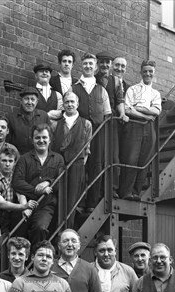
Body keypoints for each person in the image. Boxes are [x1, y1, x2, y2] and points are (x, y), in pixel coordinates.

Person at [12, 123, 65, 247]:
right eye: (37, 138)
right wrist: (36, 191)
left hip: (46, 205)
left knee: (41, 228)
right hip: (25, 203)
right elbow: (17, 182)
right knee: (18, 233)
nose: (41, 140)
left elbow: (61, 182)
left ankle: (36, 257)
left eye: (44, 137)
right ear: (32, 140)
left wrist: (48, 182)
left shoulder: (58, 159)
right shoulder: (24, 159)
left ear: (50, 139)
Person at [72, 53, 112, 211]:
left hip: (98, 132)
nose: (88, 66)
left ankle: (91, 204)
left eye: (91, 64)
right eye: (85, 64)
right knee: (80, 165)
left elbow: (108, 114)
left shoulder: (102, 90)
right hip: (79, 130)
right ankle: (79, 203)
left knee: (96, 166)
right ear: (81, 66)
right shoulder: (73, 87)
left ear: (95, 67)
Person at [119, 60, 162, 201]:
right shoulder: (133, 89)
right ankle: (126, 192)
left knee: (144, 160)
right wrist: (145, 115)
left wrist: (139, 108)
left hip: (149, 129)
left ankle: (136, 192)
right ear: (141, 72)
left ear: (154, 73)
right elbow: (126, 109)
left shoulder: (156, 93)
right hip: (134, 125)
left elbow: (156, 110)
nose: (148, 74)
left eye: (150, 71)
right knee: (131, 158)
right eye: (145, 71)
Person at [51, 92, 92, 226]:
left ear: (77, 104)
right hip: (58, 165)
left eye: (72, 102)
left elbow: (87, 149)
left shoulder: (86, 124)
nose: (69, 104)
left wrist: (79, 166)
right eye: (67, 102)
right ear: (63, 104)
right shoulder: (55, 125)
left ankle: (68, 229)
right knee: (57, 198)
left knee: (72, 201)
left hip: (77, 165)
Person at [95, 51, 129, 201]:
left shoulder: (115, 81)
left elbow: (120, 100)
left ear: (110, 65)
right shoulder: (92, 79)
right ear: (98, 63)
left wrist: (122, 114)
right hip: (96, 120)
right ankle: (97, 190)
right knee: (98, 156)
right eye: (101, 62)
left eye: (107, 62)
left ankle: (112, 188)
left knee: (113, 155)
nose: (104, 65)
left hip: (112, 121)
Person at [0, 146, 37, 235]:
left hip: (13, 214)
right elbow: (1, 204)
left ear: (15, 162)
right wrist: (24, 207)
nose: (7, 164)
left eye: (10, 161)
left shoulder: (17, 178)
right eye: (4, 161)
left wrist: (24, 208)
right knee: (0, 241)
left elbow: (21, 194)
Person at [7, 87, 49, 155]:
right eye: (26, 99)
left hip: (37, 158)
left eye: (32, 99)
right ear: (21, 101)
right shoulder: (11, 117)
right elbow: (7, 142)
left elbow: (50, 139)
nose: (29, 102)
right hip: (17, 157)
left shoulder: (43, 116)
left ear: (37, 101)